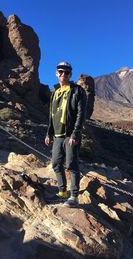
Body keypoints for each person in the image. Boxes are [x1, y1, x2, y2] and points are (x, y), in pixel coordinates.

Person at [45, 61, 87, 207]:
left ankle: (74, 196)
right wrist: (48, 133)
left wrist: (75, 134)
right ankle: (62, 192)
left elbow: (81, 114)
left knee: (71, 164)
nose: (63, 74)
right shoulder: (55, 92)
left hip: (70, 135)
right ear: (56, 73)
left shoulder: (77, 91)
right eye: (60, 71)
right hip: (57, 135)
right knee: (56, 163)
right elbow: (52, 115)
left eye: (67, 72)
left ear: (70, 74)